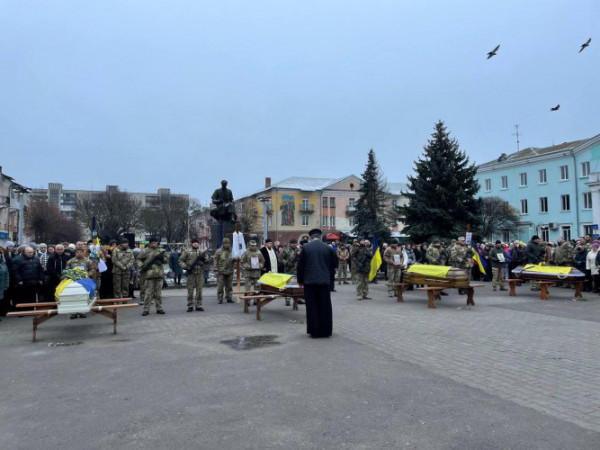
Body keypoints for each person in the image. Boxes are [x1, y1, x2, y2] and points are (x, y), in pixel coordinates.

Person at [297, 228, 335, 338]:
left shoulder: (306, 248)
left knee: (312, 306)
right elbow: (334, 264)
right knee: (325, 306)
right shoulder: (327, 248)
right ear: (320, 236)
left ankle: (314, 331)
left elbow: (301, 266)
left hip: (310, 282)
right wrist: (329, 278)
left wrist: (300, 281)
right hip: (324, 281)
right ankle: (326, 330)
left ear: (311, 237)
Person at [138, 237, 168, 316]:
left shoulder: (161, 251)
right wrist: (143, 266)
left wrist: (161, 259)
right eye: (152, 243)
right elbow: (138, 259)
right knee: (148, 293)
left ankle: (159, 308)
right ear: (149, 243)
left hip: (159, 274)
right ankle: (146, 309)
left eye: (155, 243)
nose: (153, 244)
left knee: (158, 294)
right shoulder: (145, 251)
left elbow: (166, 260)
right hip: (149, 275)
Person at [179, 239, 207, 311]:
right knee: (190, 291)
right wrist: (186, 267)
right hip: (191, 274)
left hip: (199, 274)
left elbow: (208, 260)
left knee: (199, 291)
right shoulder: (187, 252)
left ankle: (198, 305)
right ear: (192, 244)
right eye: (194, 243)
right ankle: (190, 305)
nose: (195, 244)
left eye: (197, 243)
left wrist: (204, 259)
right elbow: (180, 260)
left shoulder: (202, 252)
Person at [214, 238, 234, 303]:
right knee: (220, 286)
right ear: (223, 244)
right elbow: (215, 261)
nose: (227, 245)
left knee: (229, 286)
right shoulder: (218, 251)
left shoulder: (232, 251)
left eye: (228, 243)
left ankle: (229, 297)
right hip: (221, 271)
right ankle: (220, 298)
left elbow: (235, 259)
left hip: (230, 271)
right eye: (226, 243)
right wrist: (216, 270)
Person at [0, 248, 10, 318]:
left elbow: (7, 275)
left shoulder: (3, 264)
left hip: (2, 285)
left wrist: (6, 284)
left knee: (1, 299)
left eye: (0, 255)